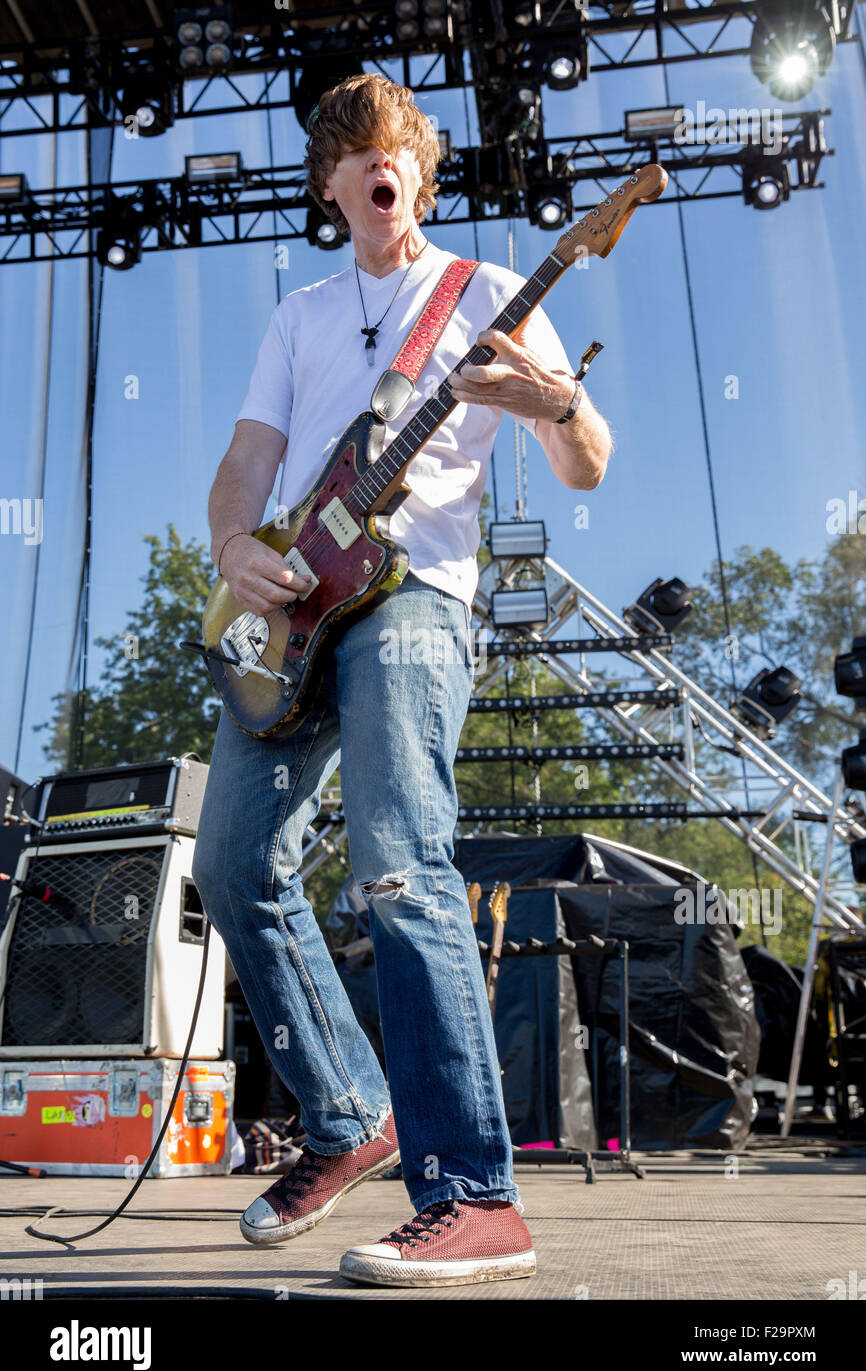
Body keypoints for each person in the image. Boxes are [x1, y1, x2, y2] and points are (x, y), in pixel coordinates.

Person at [192, 71, 611, 1289]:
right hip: (297, 609)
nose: (383, 169)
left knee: (395, 863)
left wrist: (555, 397)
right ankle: (344, 1112)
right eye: (358, 154)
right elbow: (246, 459)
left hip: (414, 599)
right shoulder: (300, 316)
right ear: (331, 183)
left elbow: (583, 464)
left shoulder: (483, 291)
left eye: (401, 152)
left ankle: (475, 1194)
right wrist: (235, 548)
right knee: (228, 862)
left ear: (419, 174)